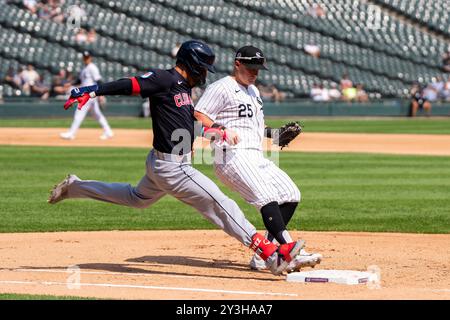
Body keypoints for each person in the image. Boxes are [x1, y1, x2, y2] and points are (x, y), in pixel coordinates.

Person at [47, 40, 306, 276]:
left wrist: (213, 130)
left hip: (162, 164)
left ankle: (75, 187)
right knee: (220, 203)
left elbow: (185, 122)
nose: (205, 74)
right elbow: (131, 84)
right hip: (173, 167)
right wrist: (93, 90)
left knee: (135, 199)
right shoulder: (164, 79)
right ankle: (270, 254)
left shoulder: (184, 88)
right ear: (191, 64)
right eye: (202, 68)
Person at [194, 45, 322, 273]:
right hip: (231, 155)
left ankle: (265, 256)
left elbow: (255, 127)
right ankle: (289, 251)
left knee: (291, 194)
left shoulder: (254, 92)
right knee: (267, 198)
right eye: (250, 67)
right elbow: (199, 115)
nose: (254, 72)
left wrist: (275, 135)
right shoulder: (222, 87)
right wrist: (220, 128)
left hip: (255, 154)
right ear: (237, 64)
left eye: (258, 68)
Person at [60, 51, 114, 140]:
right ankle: (108, 131)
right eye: (85, 57)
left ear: (90, 58)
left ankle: (71, 133)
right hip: (89, 94)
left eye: (87, 57)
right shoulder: (84, 69)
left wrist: (101, 93)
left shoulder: (92, 68)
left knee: (79, 113)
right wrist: (70, 83)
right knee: (96, 114)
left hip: (89, 94)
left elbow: (99, 81)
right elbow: (80, 81)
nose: (86, 59)